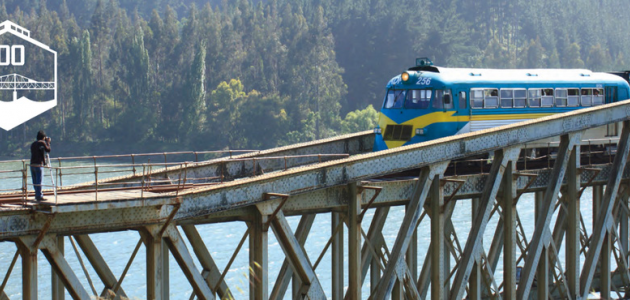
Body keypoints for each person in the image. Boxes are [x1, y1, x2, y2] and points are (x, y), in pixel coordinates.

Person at [30, 130, 51, 201]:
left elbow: (40, 153)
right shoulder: (42, 143)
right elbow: (48, 150)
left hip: (32, 164)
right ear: (43, 137)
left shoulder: (33, 144)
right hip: (38, 164)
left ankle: (37, 194)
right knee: (39, 181)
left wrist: (44, 162)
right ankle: (39, 196)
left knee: (35, 181)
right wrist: (48, 142)